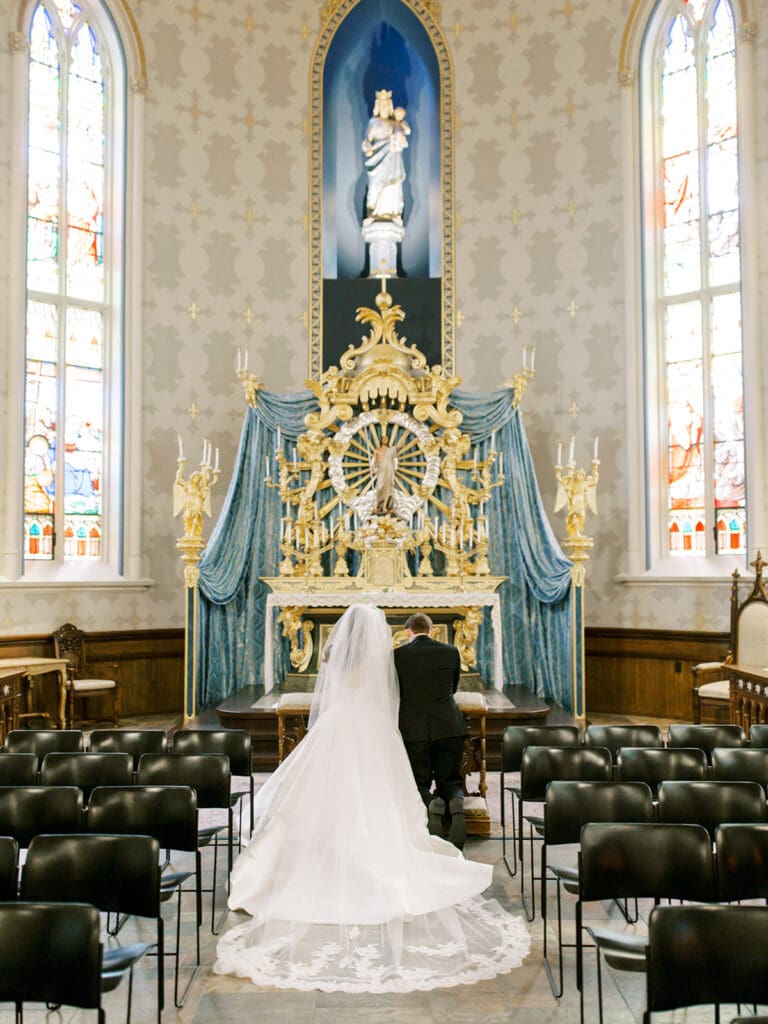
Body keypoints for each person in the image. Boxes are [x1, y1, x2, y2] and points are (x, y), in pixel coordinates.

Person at [215, 604, 529, 993]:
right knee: (378, 788)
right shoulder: (384, 659)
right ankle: (431, 813)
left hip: (337, 725)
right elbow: (393, 695)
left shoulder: (337, 657)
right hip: (376, 728)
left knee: (323, 787)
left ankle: (327, 848)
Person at [394, 612, 468, 848]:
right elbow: (453, 686)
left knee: (419, 781)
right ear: (432, 630)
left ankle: (431, 804)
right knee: (451, 780)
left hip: (413, 729)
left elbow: (397, 691)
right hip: (449, 725)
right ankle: (455, 802)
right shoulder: (451, 652)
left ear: (408, 633)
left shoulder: (398, 656)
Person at [361, 89, 411, 224]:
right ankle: (373, 212)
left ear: (389, 106)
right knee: (376, 185)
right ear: (378, 106)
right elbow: (367, 140)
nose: (383, 108)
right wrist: (368, 148)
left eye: (386, 105)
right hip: (377, 159)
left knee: (393, 184)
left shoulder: (395, 124)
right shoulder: (374, 122)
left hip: (393, 158)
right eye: (381, 105)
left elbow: (403, 134)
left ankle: (393, 212)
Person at [370, 433, 397, 514]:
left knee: (388, 488)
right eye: (384, 439)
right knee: (379, 487)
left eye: (386, 439)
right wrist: (373, 470)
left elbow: (398, 447)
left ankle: (385, 506)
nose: (385, 440)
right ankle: (377, 505)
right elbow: (374, 461)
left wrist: (406, 434)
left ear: (388, 440)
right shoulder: (377, 450)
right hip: (381, 471)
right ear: (381, 440)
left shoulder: (390, 450)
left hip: (389, 471)